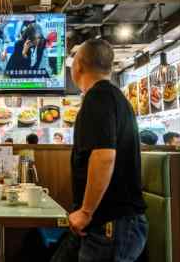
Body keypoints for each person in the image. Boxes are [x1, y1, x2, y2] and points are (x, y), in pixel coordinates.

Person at [51, 39, 147, 262]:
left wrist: (85, 212)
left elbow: (104, 156)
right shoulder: (115, 97)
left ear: (78, 66)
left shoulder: (98, 97)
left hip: (111, 224)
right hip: (113, 222)